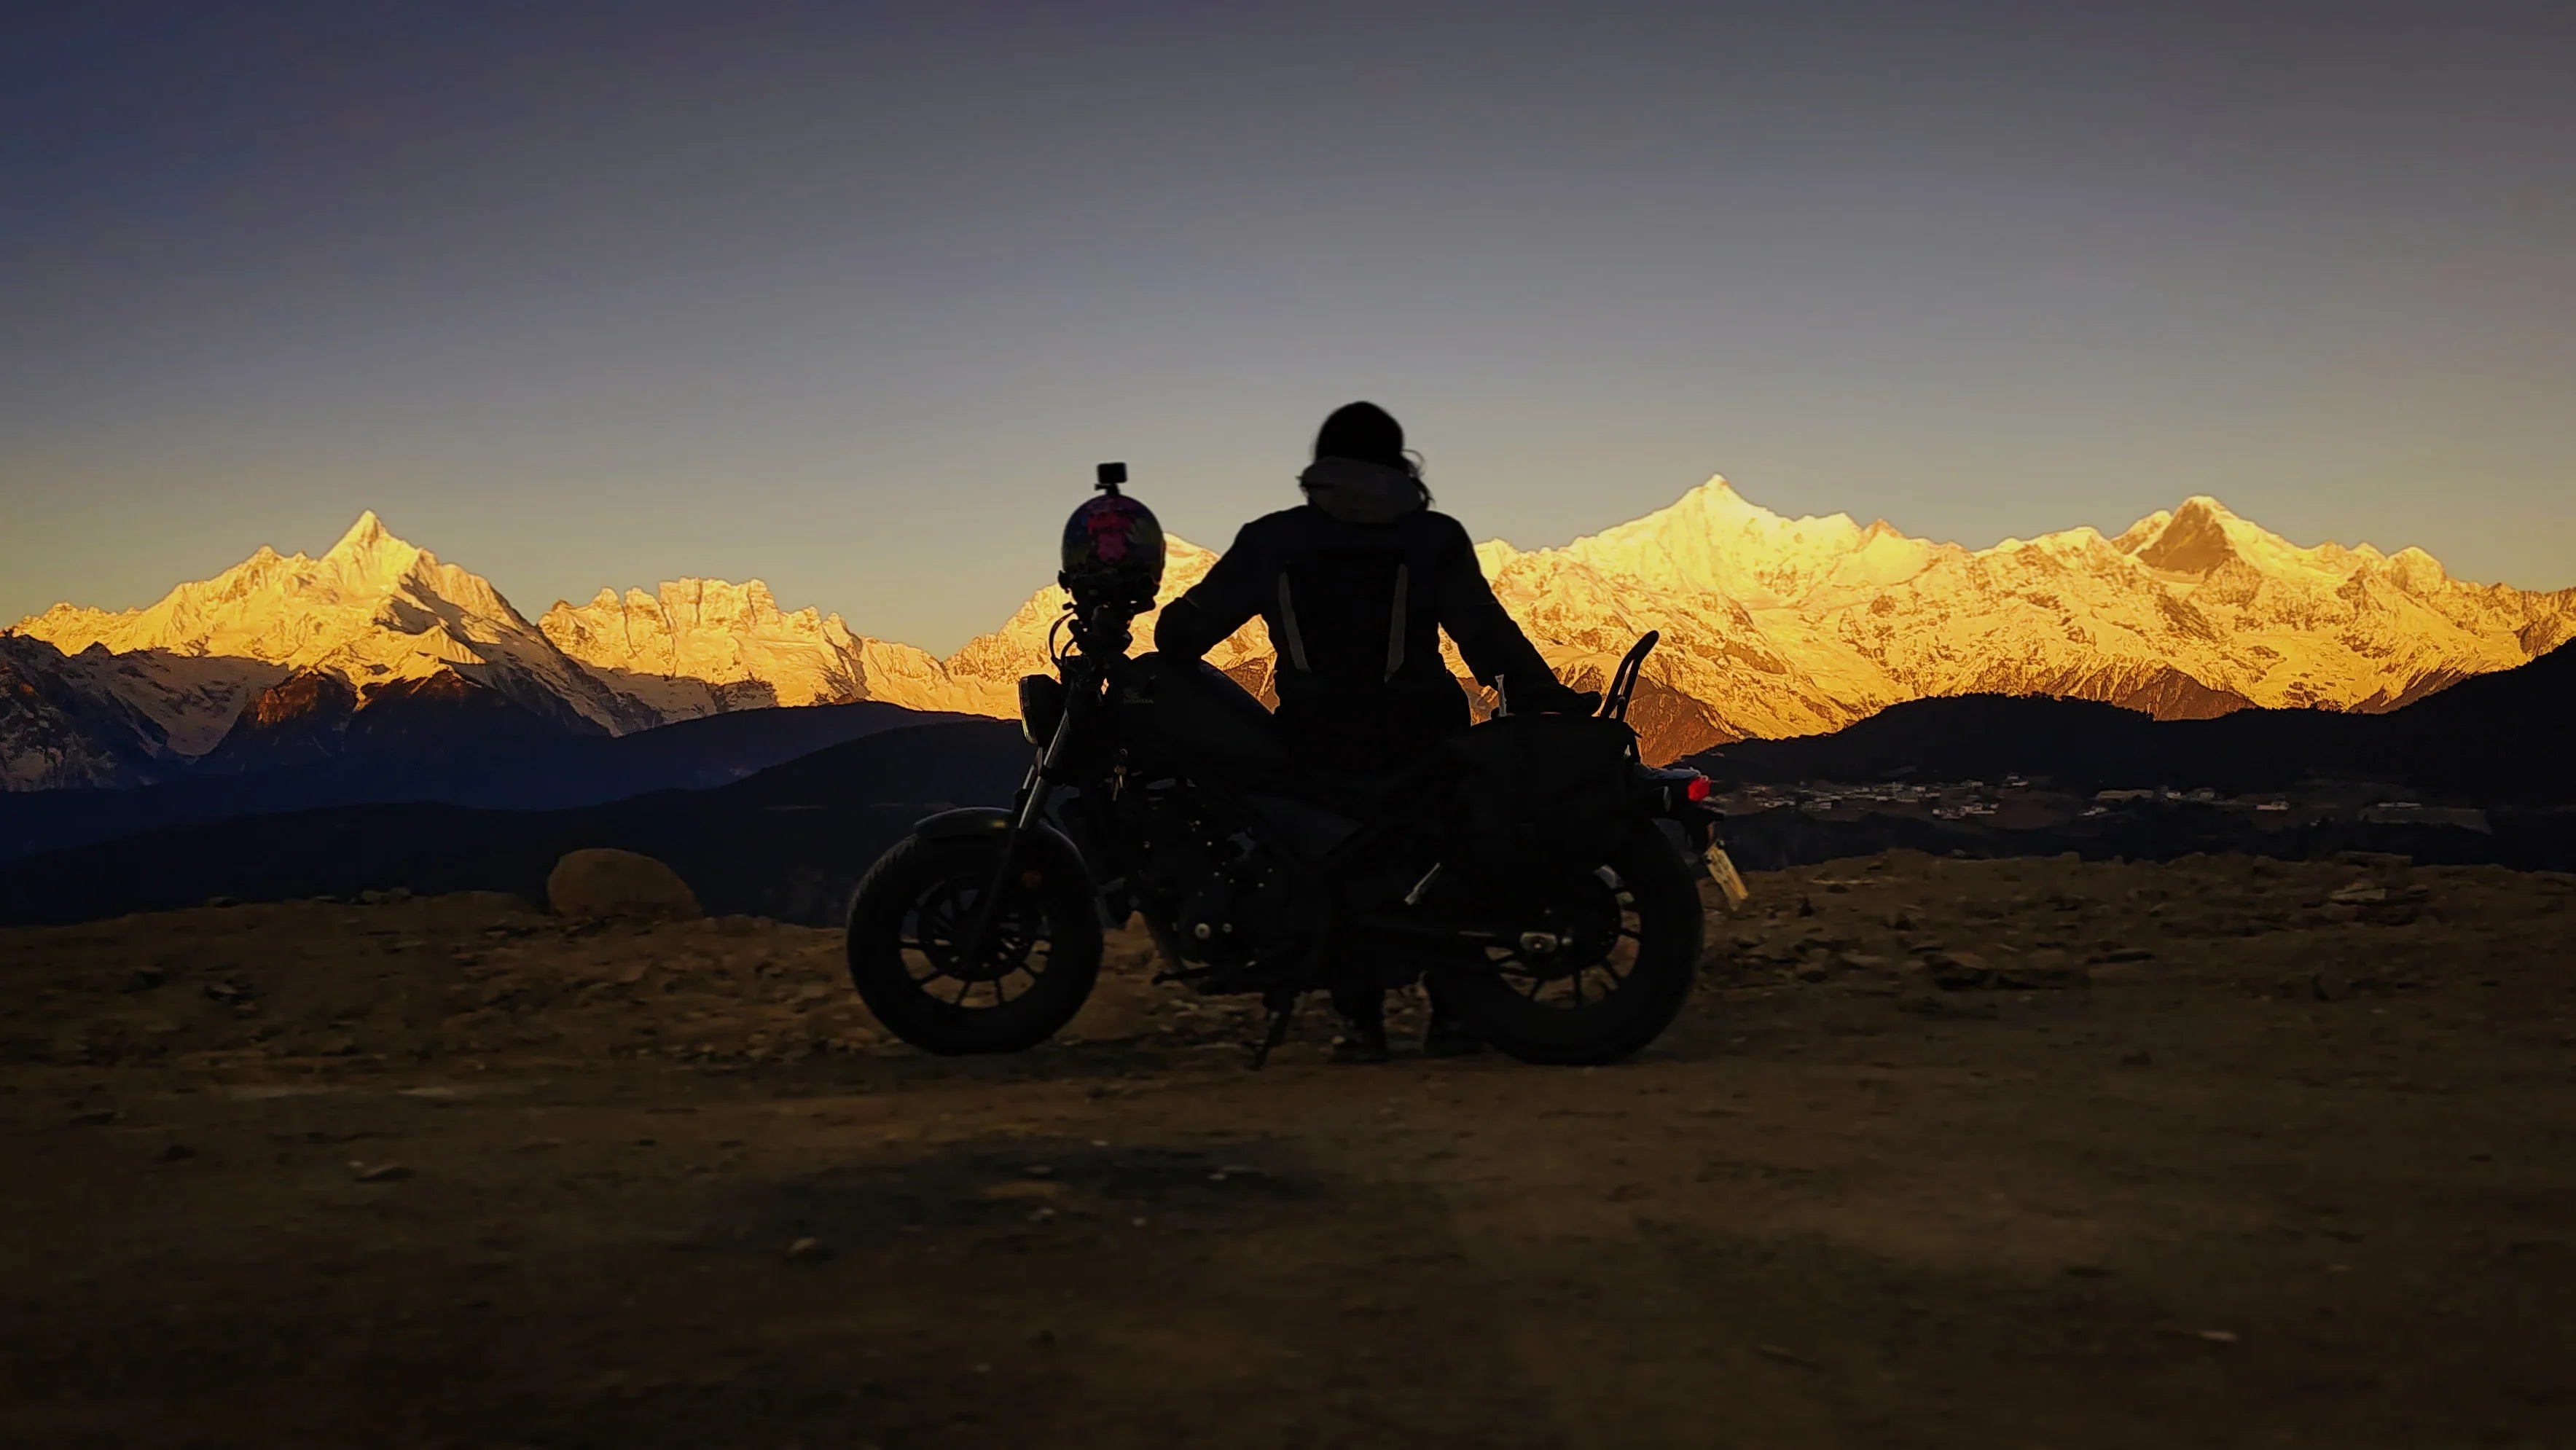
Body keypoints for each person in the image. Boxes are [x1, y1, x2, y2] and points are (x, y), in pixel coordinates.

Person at [1154, 401, 1594, 1062]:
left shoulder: (1272, 539)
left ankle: (1359, 1024)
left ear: (1320, 467)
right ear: (1399, 466)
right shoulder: (1431, 537)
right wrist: (1542, 698)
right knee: (1446, 861)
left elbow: (1185, 633)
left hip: (1314, 738)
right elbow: (1484, 633)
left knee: (1324, 863)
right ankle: (1455, 1017)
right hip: (1424, 734)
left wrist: (1160, 618)